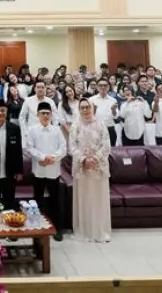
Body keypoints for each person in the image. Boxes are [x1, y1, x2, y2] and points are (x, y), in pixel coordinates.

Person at [69, 98, 112, 243]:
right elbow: (72, 147)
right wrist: (83, 160)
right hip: (82, 169)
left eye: (88, 107)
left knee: (99, 200)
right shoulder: (75, 126)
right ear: (79, 110)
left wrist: (95, 158)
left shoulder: (100, 124)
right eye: (82, 108)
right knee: (84, 199)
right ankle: (85, 231)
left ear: (92, 108)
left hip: (98, 168)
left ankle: (100, 231)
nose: (86, 110)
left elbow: (106, 144)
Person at [25, 101, 65, 241]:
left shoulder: (56, 130)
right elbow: (29, 148)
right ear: (37, 114)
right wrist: (41, 157)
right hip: (39, 171)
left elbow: (63, 148)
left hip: (53, 170)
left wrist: (51, 158)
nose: (46, 116)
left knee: (55, 200)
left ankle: (57, 228)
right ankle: (38, 228)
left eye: (48, 113)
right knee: (37, 200)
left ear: (51, 114)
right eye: (43, 113)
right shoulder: (32, 130)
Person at [88, 79, 119, 146]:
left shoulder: (113, 100)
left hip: (110, 129)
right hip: (96, 129)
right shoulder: (91, 100)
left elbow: (116, 116)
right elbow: (88, 117)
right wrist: (94, 110)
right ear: (97, 87)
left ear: (108, 87)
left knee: (111, 151)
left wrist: (113, 110)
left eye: (105, 85)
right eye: (100, 85)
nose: (103, 87)